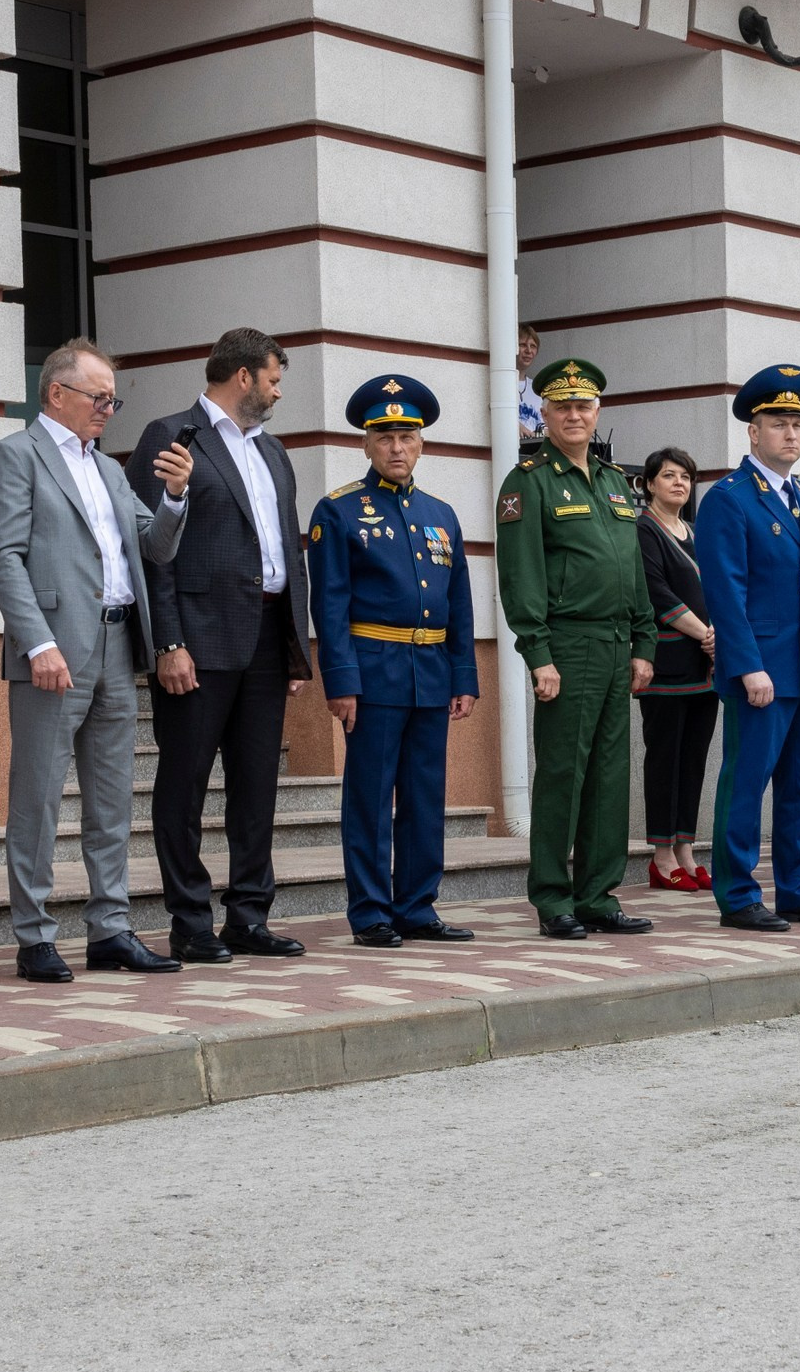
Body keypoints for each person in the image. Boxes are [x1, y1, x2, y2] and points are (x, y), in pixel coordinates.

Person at [0, 338, 191, 983]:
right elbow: (3, 559)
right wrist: (37, 642)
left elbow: (153, 547)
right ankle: (34, 936)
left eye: (112, 400)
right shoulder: (15, 455)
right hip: (54, 649)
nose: (107, 409)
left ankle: (111, 929)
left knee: (111, 797)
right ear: (55, 393)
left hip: (117, 645)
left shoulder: (107, 468)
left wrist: (174, 497)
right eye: (98, 397)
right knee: (39, 796)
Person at [127, 328, 312, 963]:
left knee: (257, 785)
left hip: (265, 636)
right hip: (198, 641)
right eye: (274, 380)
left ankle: (249, 917)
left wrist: (294, 644)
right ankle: (189, 920)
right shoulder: (171, 434)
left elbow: (287, 548)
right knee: (184, 784)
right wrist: (167, 641)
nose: (278, 392)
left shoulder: (273, 451)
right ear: (243, 376)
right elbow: (151, 549)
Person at [311, 376, 480, 946]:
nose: (396, 447)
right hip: (374, 671)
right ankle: (371, 913)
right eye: (384, 437)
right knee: (370, 796)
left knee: (425, 797)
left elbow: (460, 602)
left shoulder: (441, 514)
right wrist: (340, 680)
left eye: (407, 437)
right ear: (365, 444)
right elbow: (329, 604)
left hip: (431, 672)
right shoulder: (339, 511)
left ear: (422, 443)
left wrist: (464, 675)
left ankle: (416, 906)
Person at [495, 358, 654, 939]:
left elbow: (633, 568)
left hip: (616, 645)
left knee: (610, 778)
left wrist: (644, 641)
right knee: (564, 774)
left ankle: (597, 895)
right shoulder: (529, 481)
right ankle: (552, 896)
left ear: (597, 411)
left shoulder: (615, 482)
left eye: (583, 406)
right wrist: (538, 653)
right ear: (544, 412)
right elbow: (521, 576)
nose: (574, 415)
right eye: (562, 407)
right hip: (568, 644)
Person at [693, 365, 800, 932]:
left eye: (797, 424)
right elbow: (726, 593)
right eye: (778, 423)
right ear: (753, 432)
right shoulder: (729, 499)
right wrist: (747, 666)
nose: (790, 434)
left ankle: (798, 887)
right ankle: (737, 894)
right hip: (761, 671)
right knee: (746, 782)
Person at [634, 447, 715, 891]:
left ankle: (686, 848)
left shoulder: (696, 532)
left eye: (685, 476)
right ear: (649, 484)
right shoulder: (643, 530)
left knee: (694, 760)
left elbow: (716, 586)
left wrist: (718, 635)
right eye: (669, 476)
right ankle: (662, 856)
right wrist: (706, 633)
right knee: (665, 759)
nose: (679, 483)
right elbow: (657, 594)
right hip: (667, 664)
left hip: (705, 667)